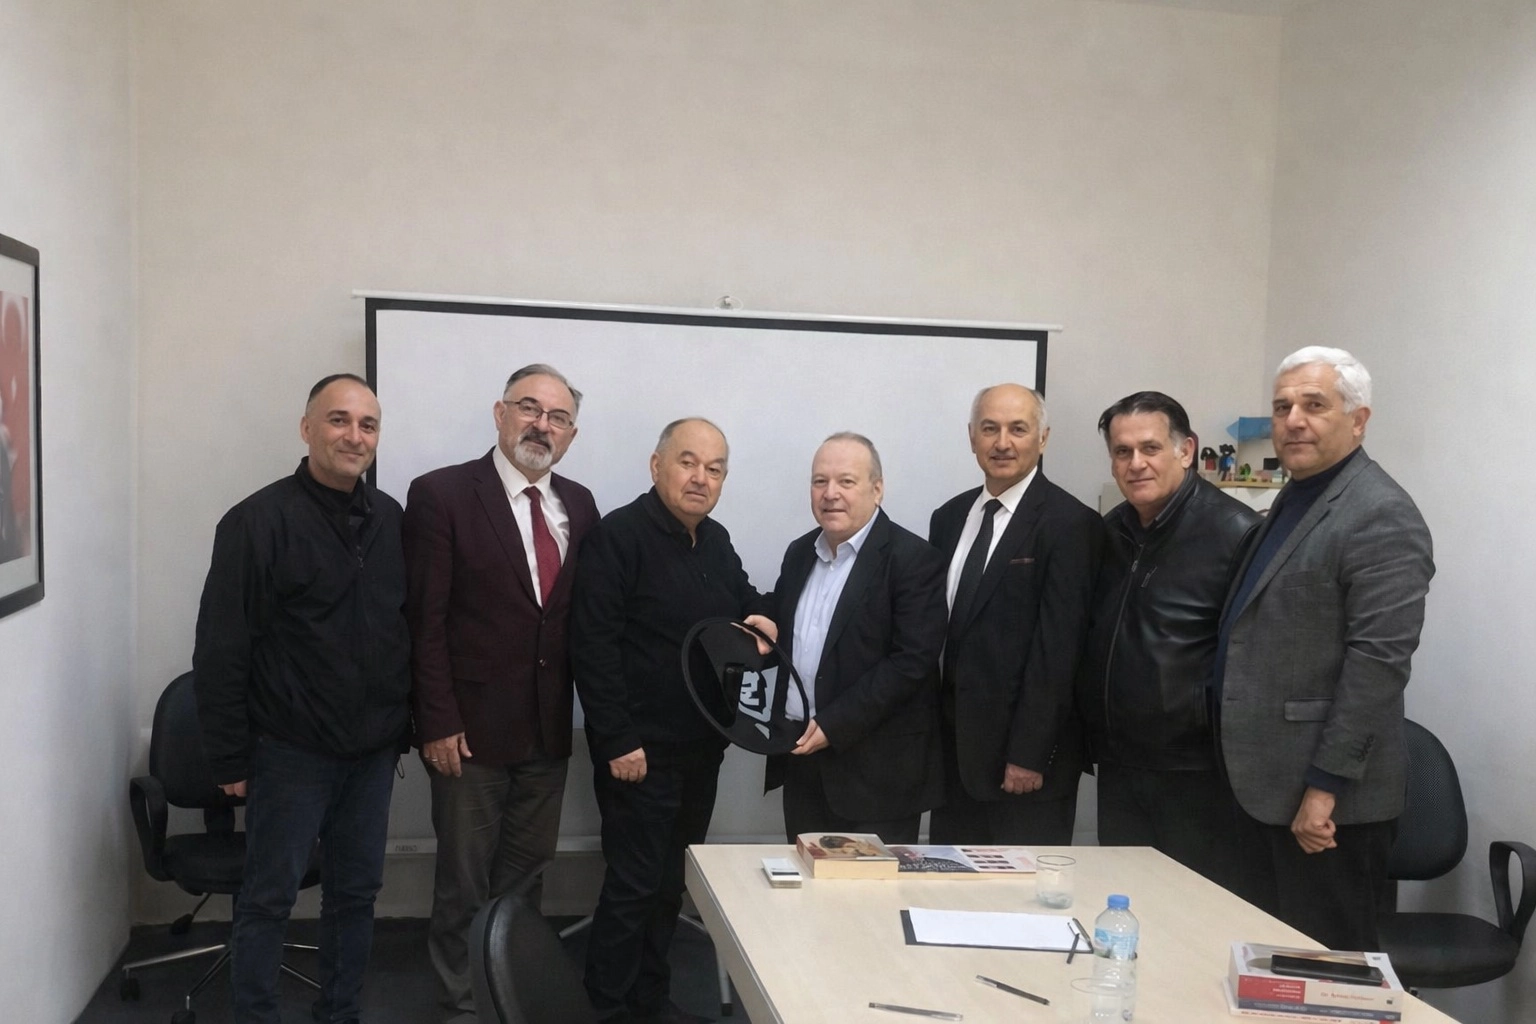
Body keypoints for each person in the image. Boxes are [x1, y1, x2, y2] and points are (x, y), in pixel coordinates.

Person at [193, 374, 410, 1024]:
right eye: (339, 420)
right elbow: (221, 649)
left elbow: (402, 626)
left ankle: (339, 1014)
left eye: (368, 424)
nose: (354, 436)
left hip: (372, 753)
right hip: (290, 752)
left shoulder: (390, 519)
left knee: (356, 895)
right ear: (307, 428)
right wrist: (229, 758)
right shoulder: (257, 522)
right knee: (268, 900)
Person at [1218, 346, 1434, 951]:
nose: (1293, 421)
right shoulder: (1295, 497)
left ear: (1358, 420)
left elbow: (1377, 665)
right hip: (1264, 792)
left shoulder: (1380, 513)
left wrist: (1324, 787)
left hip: (1325, 810)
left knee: (1326, 978)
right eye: (1282, 407)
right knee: (1264, 969)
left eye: (1314, 405)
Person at [402, 364, 599, 1023]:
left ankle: (512, 1000)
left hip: (546, 732)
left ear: (571, 434)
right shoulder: (442, 494)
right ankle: (462, 1007)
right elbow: (424, 620)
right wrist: (436, 720)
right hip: (468, 736)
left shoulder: (581, 505)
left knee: (524, 883)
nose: (542, 425)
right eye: (529, 408)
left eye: (558, 417)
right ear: (500, 413)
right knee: (464, 886)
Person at [571, 418, 776, 1024]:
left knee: (669, 885)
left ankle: (649, 1002)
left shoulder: (714, 539)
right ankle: (606, 1008)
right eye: (688, 462)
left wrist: (763, 615)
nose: (700, 478)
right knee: (633, 886)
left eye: (715, 469)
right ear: (657, 465)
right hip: (639, 753)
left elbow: (743, 598)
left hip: (702, 747)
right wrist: (617, 739)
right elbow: (593, 646)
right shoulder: (618, 537)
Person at [1078, 391, 1260, 893]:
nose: (1136, 463)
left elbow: (1254, 663)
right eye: (1122, 451)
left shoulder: (1237, 534)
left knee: (1191, 909)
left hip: (1195, 775)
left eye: (1150, 448)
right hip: (1119, 765)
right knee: (1123, 905)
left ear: (1186, 450)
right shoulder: (1109, 532)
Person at [928, 384, 1102, 846]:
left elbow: (1059, 651)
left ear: (1043, 438)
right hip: (953, 761)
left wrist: (1029, 753)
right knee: (950, 884)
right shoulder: (948, 518)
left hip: (1024, 768)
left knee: (1022, 889)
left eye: (1018, 429)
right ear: (971, 437)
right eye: (990, 429)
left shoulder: (1071, 524)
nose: (1002, 442)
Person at [763, 433, 948, 843]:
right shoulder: (799, 553)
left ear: (877, 489)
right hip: (802, 763)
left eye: (846, 481)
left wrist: (833, 724)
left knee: (869, 888)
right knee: (804, 881)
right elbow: (789, 627)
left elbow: (911, 662)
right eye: (820, 481)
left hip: (878, 779)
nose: (830, 494)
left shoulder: (913, 560)